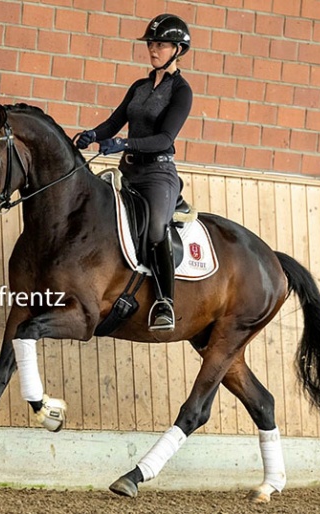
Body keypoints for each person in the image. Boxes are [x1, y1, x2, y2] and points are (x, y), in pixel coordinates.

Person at [76, 13, 193, 331]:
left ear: (178, 49)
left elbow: (165, 138)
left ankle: (164, 302)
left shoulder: (181, 91)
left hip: (158, 175)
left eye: (160, 44)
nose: (153, 49)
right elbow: (114, 122)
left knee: (156, 229)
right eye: (151, 43)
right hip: (128, 172)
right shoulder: (139, 87)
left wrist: (123, 143)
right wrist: (93, 135)